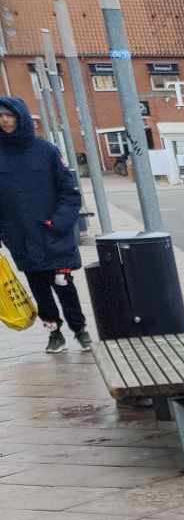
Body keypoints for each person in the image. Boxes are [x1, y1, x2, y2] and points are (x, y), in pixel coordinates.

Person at [0, 97, 91, 354]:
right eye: (0, 116)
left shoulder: (47, 151)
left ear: (21, 117)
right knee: (39, 287)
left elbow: (70, 193)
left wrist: (58, 223)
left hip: (52, 233)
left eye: (9, 115)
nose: (5, 120)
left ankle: (80, 329)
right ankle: (55, 333)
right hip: (20, 238)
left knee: (63, 284)